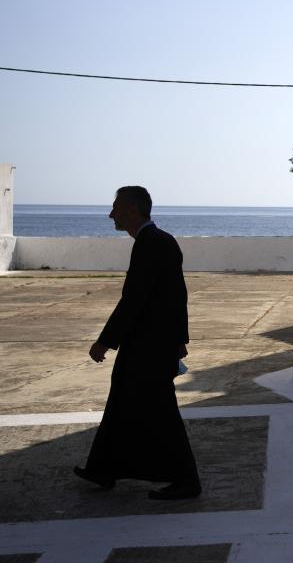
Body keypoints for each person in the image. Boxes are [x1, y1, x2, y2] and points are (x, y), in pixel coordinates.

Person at [74, 186, 201, 500]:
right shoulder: (155, 241)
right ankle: (103, 469)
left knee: (161, 412)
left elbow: (135, 301)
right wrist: (179, 340)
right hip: (148, 344)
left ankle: (186, 480)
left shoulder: (152, 244)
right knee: (122, 403)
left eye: (116, 207)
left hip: (150, 347)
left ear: (133, 210)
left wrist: (104, 342)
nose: (111, 214)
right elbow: (175, 296)